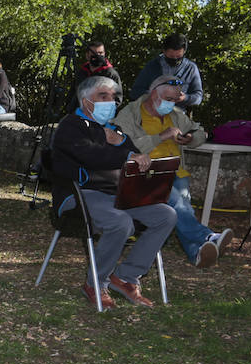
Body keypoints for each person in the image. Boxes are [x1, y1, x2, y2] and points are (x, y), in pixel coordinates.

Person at [50, 75, 176, 307]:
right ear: (85, 101)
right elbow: (91, 155)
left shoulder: (114, 130)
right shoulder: (71, 126)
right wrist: (124, 152)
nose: (111, 102)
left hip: (117, 194)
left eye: (113, 97)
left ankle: (125, 277)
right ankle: (95, 283)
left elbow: (137, 156)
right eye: (103, 96)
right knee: (121, 222)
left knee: (166, 215)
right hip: (78, 194)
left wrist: (122, 145)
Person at [114, 78, 230, 268]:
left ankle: (197, 253)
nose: (172, 104)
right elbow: (121, 145)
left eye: (175, 100)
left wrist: (191, 138)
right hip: (145, 174)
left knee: (182, 209)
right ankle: (206, 236)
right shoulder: (130, 114)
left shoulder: (175, 114)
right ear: (153, 94)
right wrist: (161, 137)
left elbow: (200, 132)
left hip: (176, 171)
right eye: (169, 99)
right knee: (178, 203)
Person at [131, 34, 204, 111]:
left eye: (179, 57)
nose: (175, 59)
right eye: (171, 57)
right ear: (164, 51)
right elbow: (135, 92)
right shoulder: (152, 66)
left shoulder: (190, 68)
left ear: (184, 51)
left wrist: (184, 98)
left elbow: (198, 97)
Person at [70, 39, 122, 107]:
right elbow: (73, 94)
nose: (97, 56)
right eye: (94, 53)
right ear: (87, 55)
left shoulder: (110, 74)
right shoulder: (82, 72)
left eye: (100, 53)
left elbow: (117, 100)